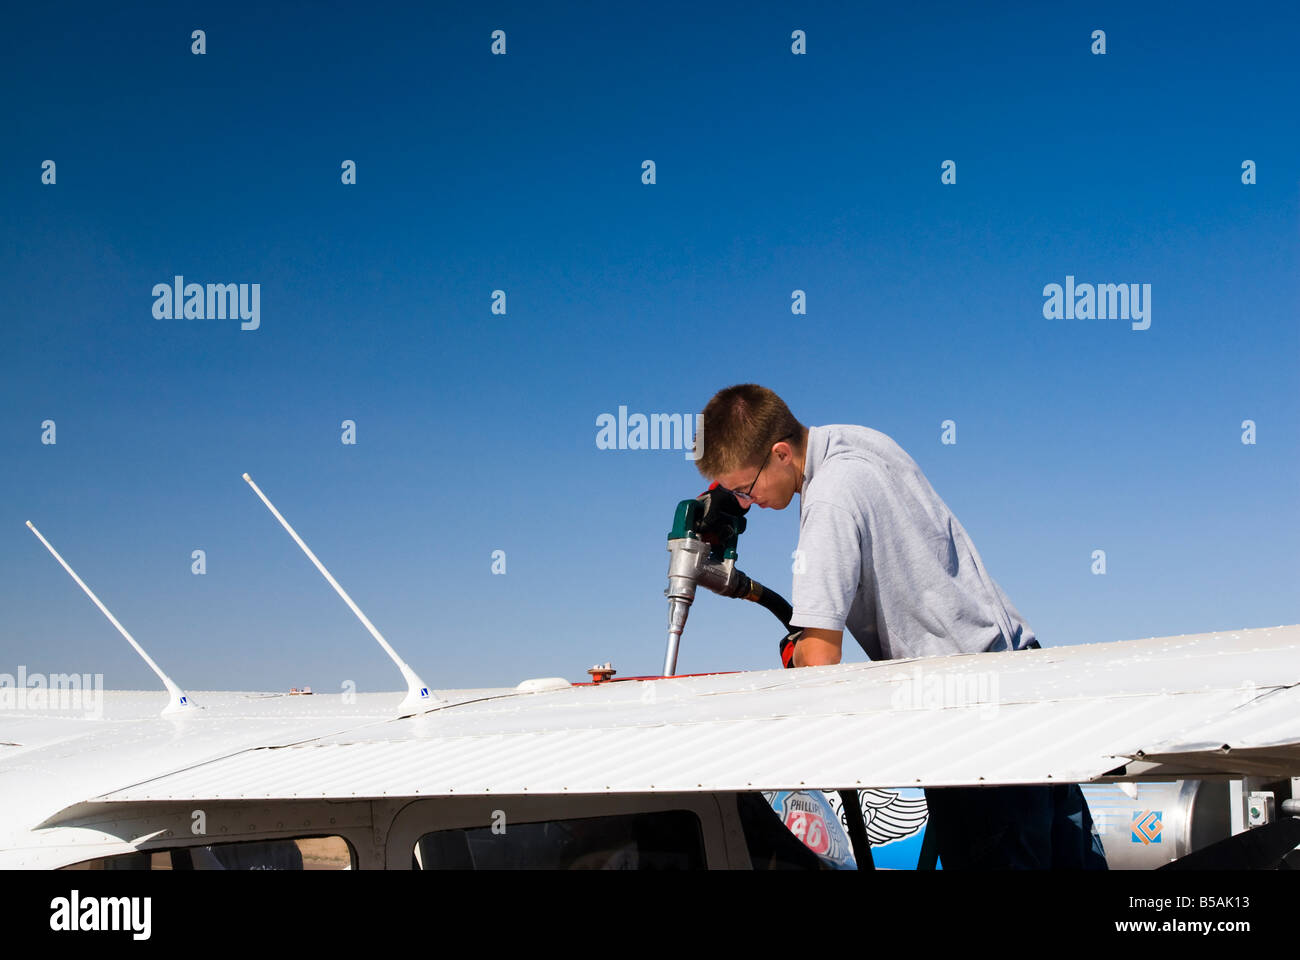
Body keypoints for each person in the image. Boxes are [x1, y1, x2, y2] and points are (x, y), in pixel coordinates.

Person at [694, 383, 1107, 870]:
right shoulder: (862, 442)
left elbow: (821, 662)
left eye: (746, 488)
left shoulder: (828, 503)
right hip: (1025, 676)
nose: (748, 502)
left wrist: (799, 655)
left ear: (781, 453)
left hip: (969, 717)